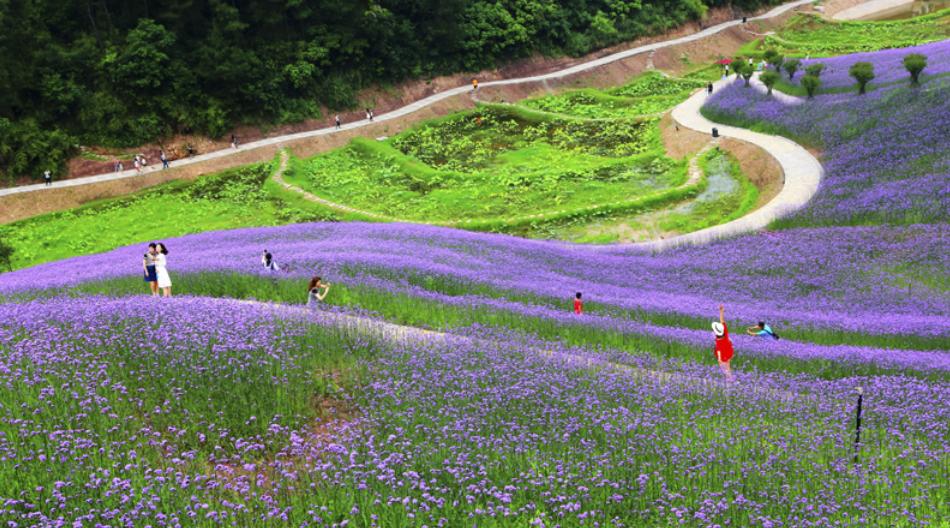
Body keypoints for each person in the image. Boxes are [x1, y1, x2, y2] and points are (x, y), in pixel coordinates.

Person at [711, 304, 735, 381]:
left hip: (723, 353)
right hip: (729, 350)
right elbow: (722, 321)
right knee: (728, 365)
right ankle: (730, 377)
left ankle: (729, 378)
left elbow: (719, 350)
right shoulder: (725, 332)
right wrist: (721, 311)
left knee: (723, 366)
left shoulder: (718, 341)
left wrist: (719, 359)